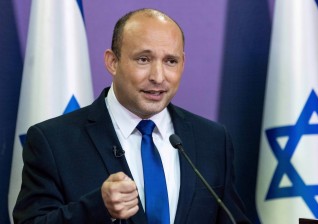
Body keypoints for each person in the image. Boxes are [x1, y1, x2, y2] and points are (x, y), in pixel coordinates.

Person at [13, 8, 250, 224]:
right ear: (112, 62)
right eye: (143, 59)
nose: (158, 76)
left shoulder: (212, 140)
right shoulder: (53, 141)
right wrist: (98, 207)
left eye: (170, 61)